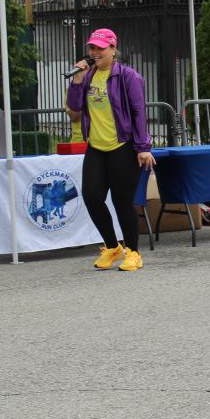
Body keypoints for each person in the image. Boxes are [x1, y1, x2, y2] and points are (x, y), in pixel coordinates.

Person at [67, 28, 155, 271]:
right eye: (92, 48)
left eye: (100, 48)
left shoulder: (128, 77)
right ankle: (112, 247)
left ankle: (133, 252)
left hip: (122, 146)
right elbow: (74, 109)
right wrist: (77, 80)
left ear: (113, 49)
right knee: (92, 197)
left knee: (121, 201)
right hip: (96, 147)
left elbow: (139, 112)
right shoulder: (87, 76)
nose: (95, 52)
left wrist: (143, 147)